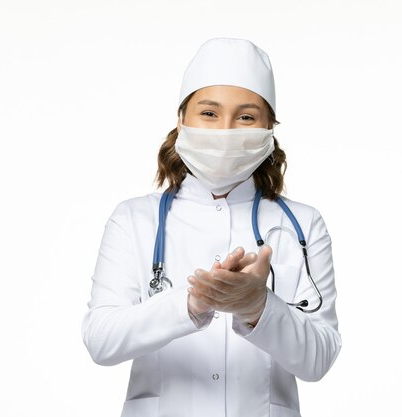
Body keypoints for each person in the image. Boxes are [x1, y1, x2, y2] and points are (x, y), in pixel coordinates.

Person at [81, 37, 342, 417]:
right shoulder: (134, 219)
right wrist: (191, 303)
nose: (226, 130)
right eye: (209, 113)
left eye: (246, 117)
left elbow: (319, 360)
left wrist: (259, 307)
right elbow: (101, 341)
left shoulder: (301, 224)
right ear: (181, 120)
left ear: (269, 128)